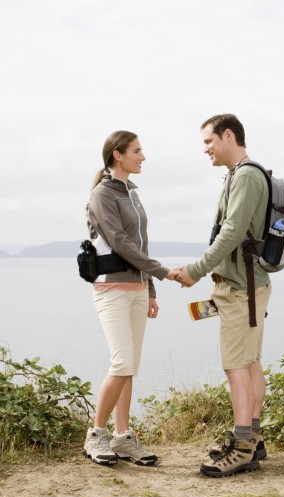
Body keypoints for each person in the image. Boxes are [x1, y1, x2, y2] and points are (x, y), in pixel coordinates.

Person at [174, 114, 271, 477]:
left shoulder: (245, 174)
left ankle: (242, 446)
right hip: (249, 284)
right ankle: (254, 441)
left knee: (236, 367)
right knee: (249, 362)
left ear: (228, 135)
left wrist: (196, 270)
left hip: (240, 287)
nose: (206, 150)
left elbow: (230, 232)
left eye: (208, 142)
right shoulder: (244, 174)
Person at [82, 130, 180, 466]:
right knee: (121, 363)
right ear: (118, 154)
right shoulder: (102, 195)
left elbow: (141, 244)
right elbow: (121, 243)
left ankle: (123, 438)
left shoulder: (132, 194)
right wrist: (163, 272)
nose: (143, 156)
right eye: (137, 151)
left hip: (138, 290)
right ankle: (96, 435)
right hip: (111, 289)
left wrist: (150, 288)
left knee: (130, 368)